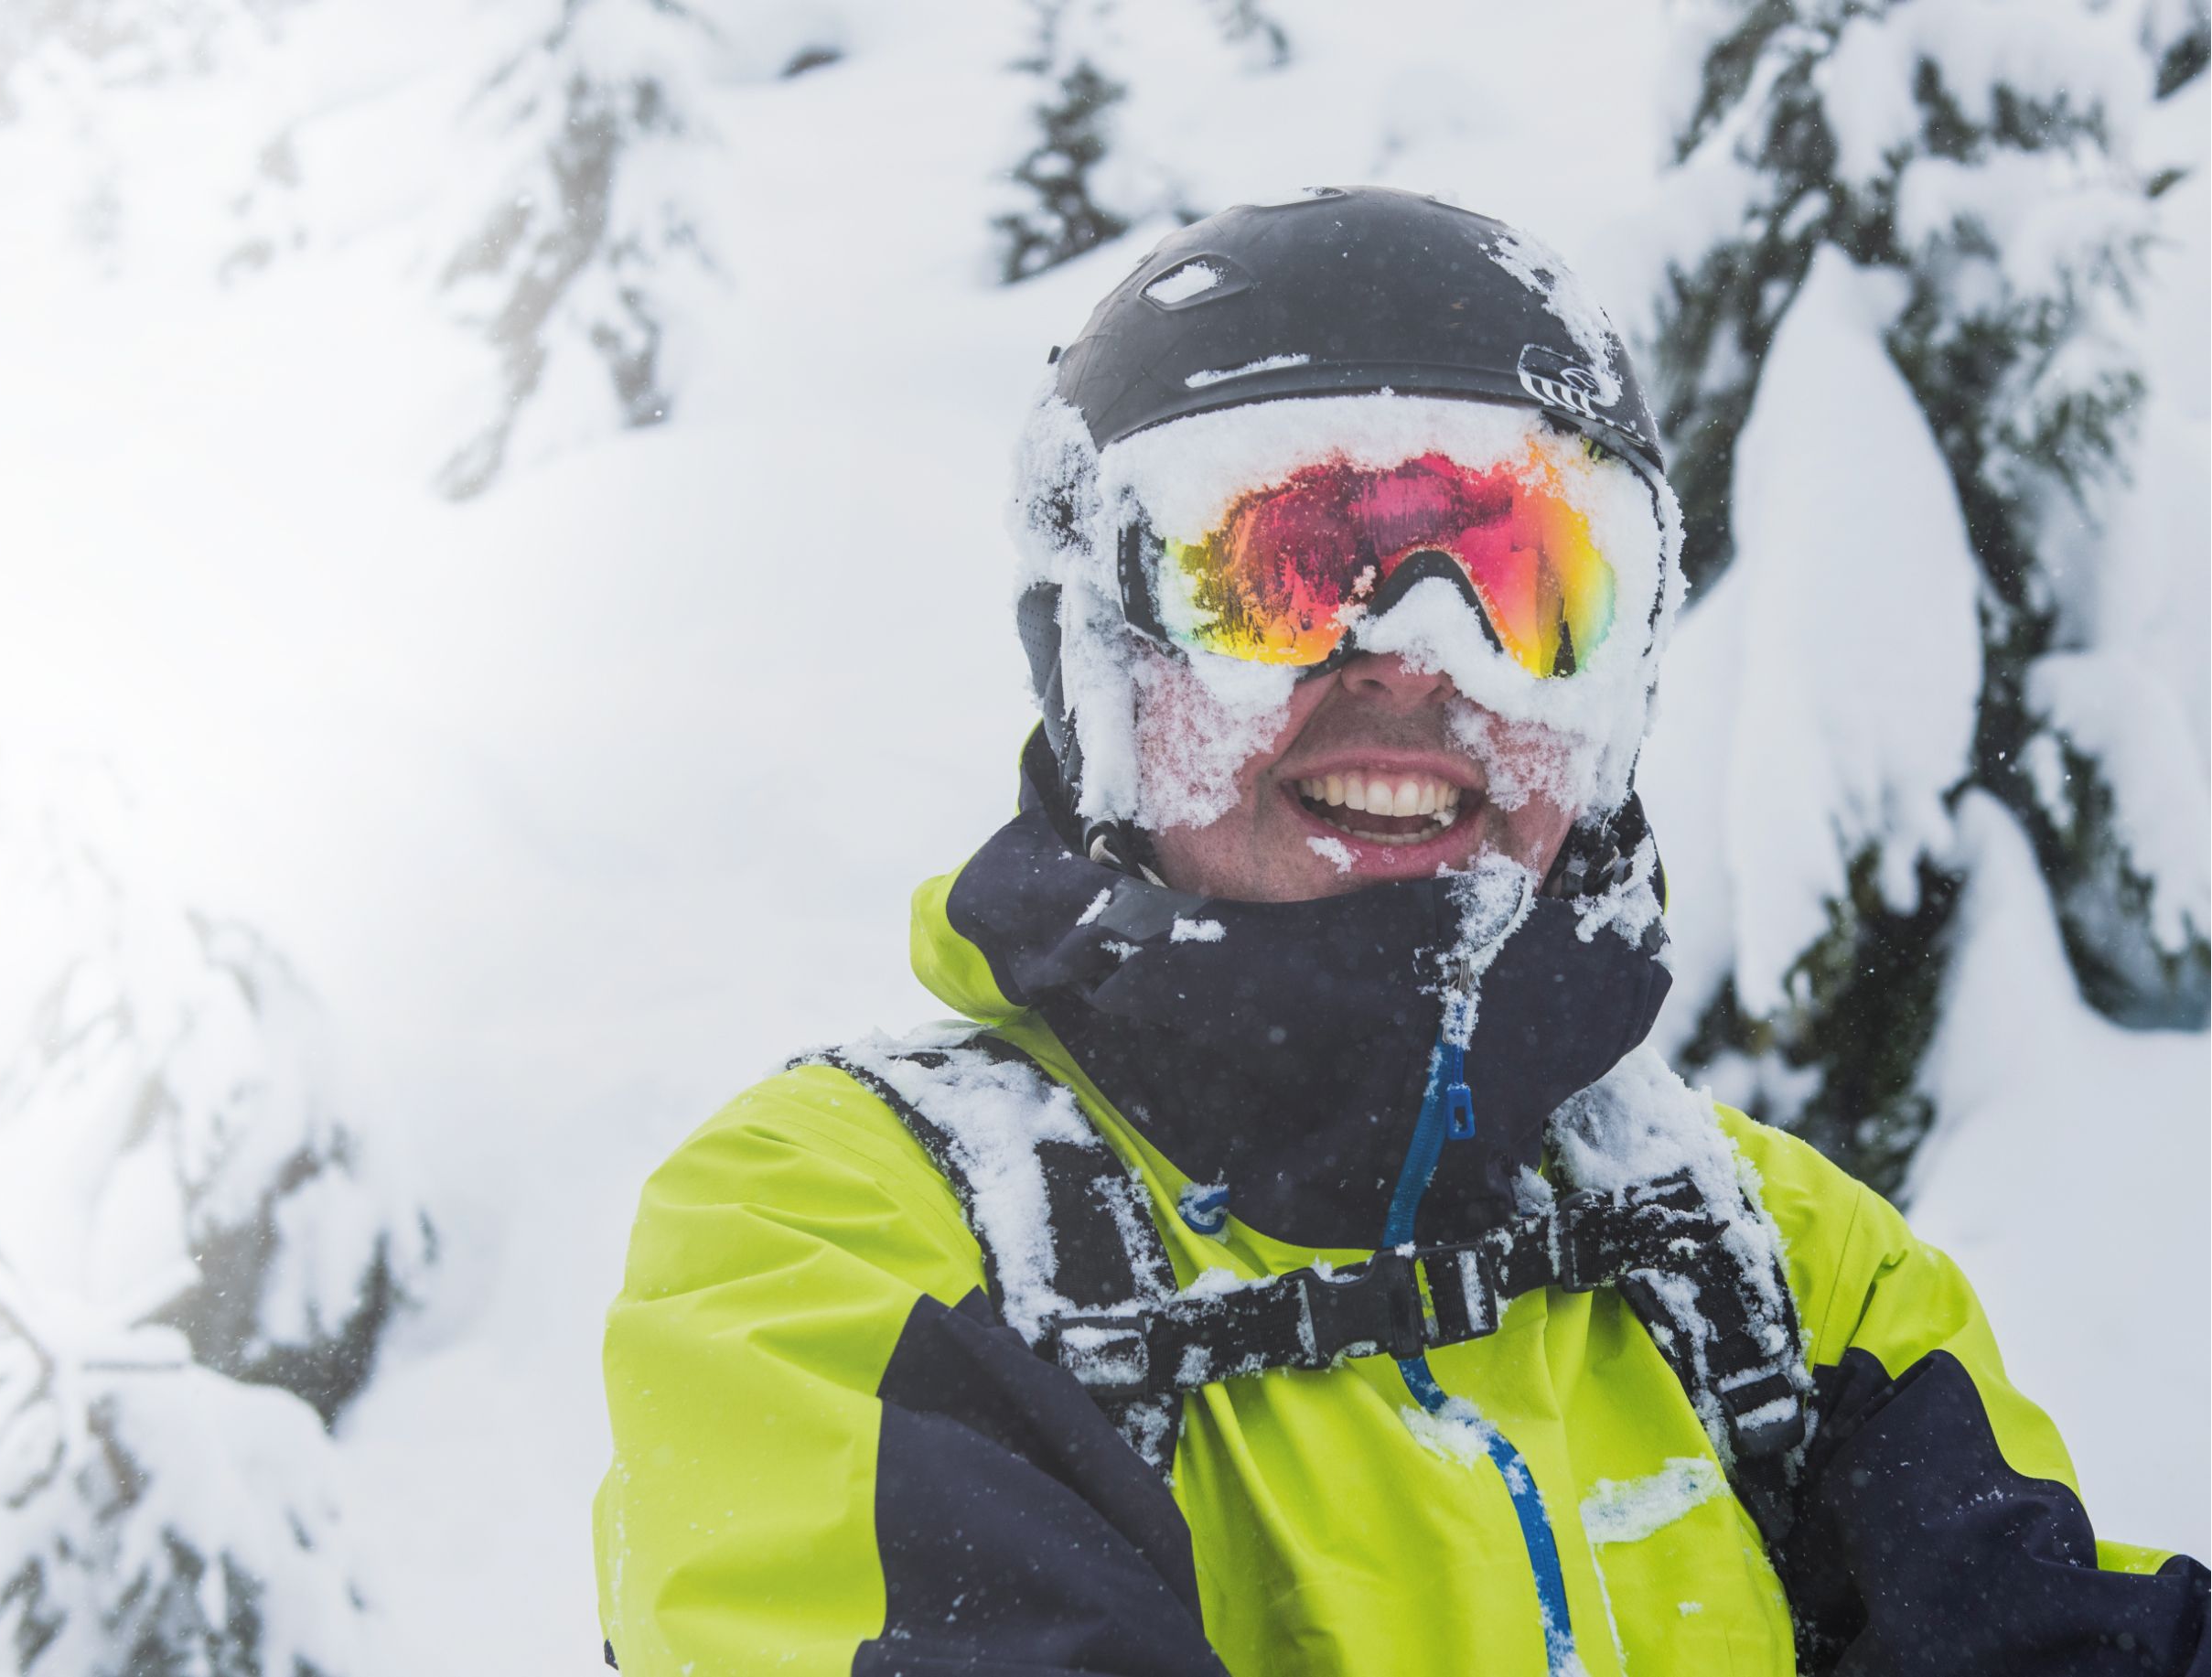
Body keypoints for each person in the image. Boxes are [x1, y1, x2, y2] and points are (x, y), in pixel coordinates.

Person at [590, 188, 2210, 1675]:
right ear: (1097, 668)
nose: (1416, 665)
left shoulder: (1785, 1261)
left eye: (1525, 585)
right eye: (1283, 572)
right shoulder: (842, 1236)